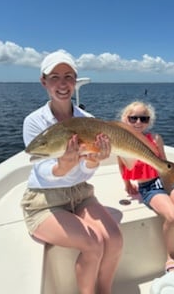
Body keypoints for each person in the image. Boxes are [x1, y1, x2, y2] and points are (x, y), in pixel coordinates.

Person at [21, 51, 123, 294]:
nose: (63, 83)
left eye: (68, 76)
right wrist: (63, 165)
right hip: (44, 201)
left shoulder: (87, 120)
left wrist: (94, 161)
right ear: (43, 81)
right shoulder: (34, 121)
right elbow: (43, 169)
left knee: (115, 240)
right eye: (54, 77)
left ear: (75, 81)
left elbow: (84, 175)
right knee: (93, 243)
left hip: (80, 193)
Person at [117, 101, 174, 273]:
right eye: (133, 118)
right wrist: (127, 183)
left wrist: (172, 178)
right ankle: (171, 257)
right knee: (173, 217)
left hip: (167, 180)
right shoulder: (121, 141)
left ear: (149, 121)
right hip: (149, 187)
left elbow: (163, 161)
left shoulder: (156, 139)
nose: (138, 123)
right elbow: (121, 164)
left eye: (144, 118)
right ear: (125, 119)